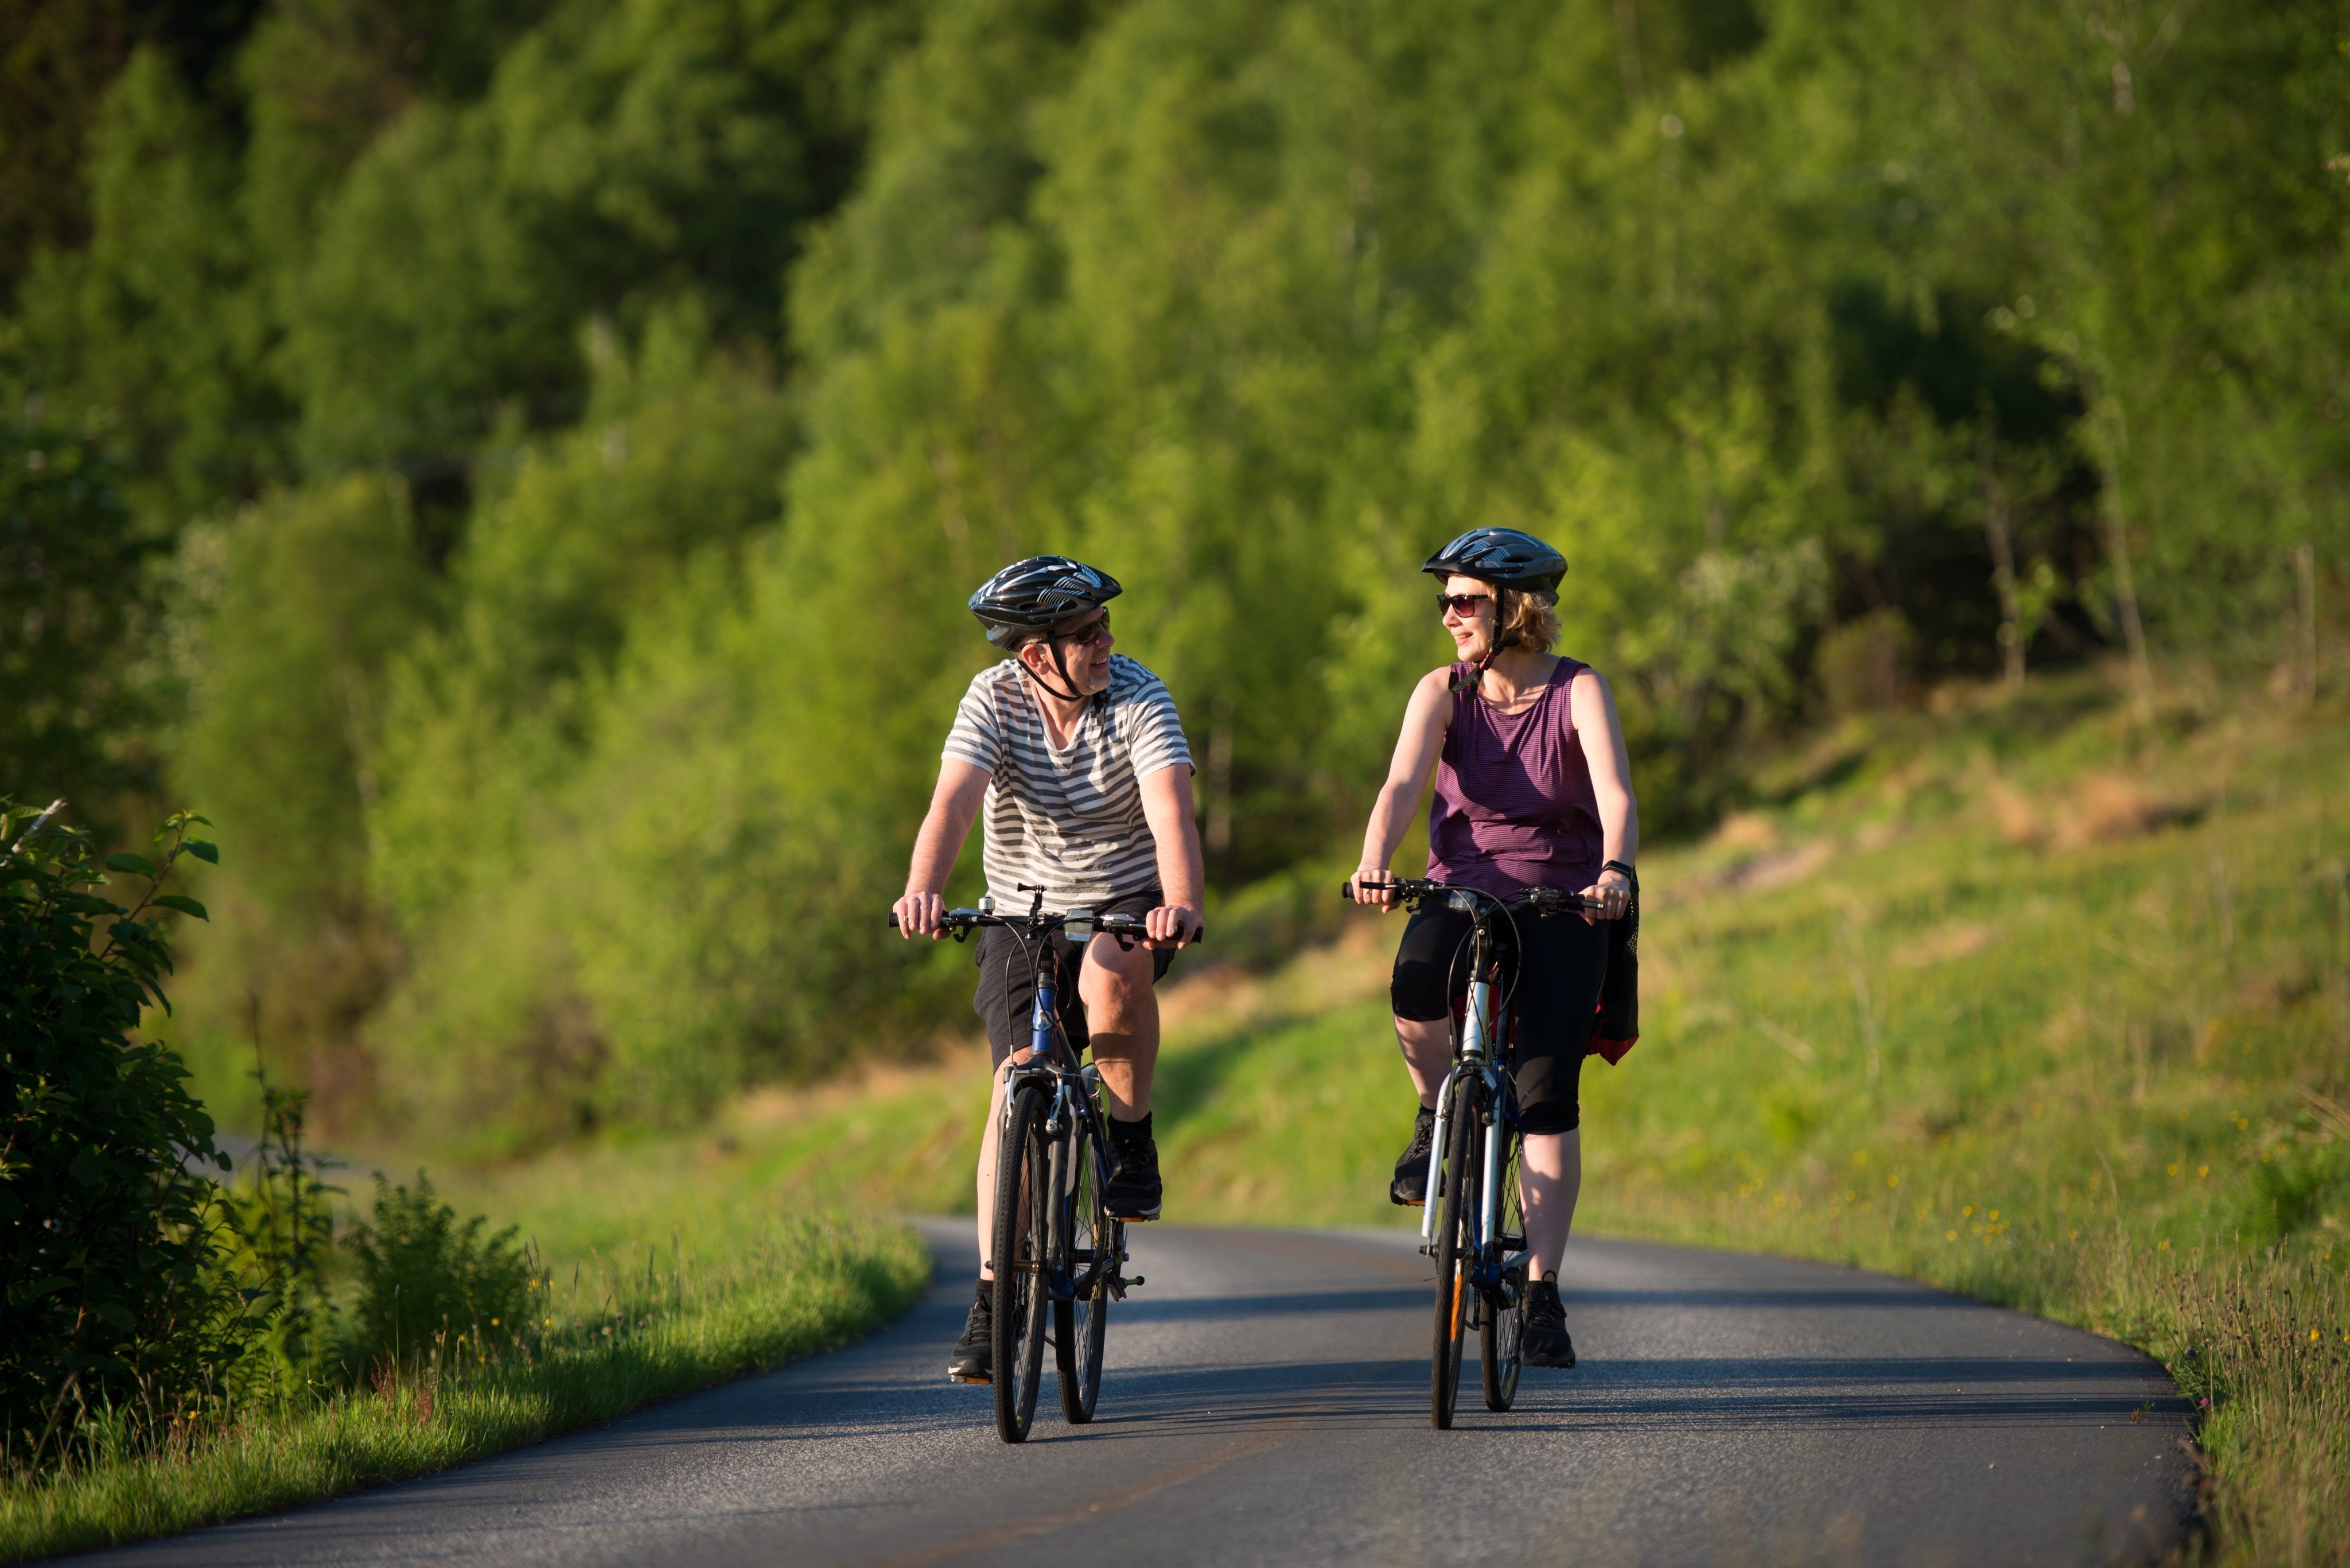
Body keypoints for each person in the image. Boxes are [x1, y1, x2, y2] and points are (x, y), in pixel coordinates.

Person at [892, 555, 1205, 1385]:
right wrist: (924, 889)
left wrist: (1180, 901)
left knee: (1110, 975)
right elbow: (954, 801)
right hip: (1020, 912)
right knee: (1014, 1085)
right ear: (1036, 654)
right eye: (1085, 633)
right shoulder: (993, 698)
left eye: (1105, 627)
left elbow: (1171, 809)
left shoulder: (1140, 696)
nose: (1106, 642)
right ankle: (995, 1297)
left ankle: (1130, 1139)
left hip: (1127, 901)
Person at [1346, 527, 1637, 1370]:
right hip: (1464, 887)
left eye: (1465, 600)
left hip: (1563, 897)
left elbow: (1616, 794)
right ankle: (1434, 1111)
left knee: (1546, 1093)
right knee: (1413, 982)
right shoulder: (1442, 690)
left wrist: (1615, 871)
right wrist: (1374, 860)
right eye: (1444, 601)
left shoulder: (1579, 689)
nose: (1449, 615)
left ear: (1517, 608)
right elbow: (1402, 783)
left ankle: (1542, 1291)